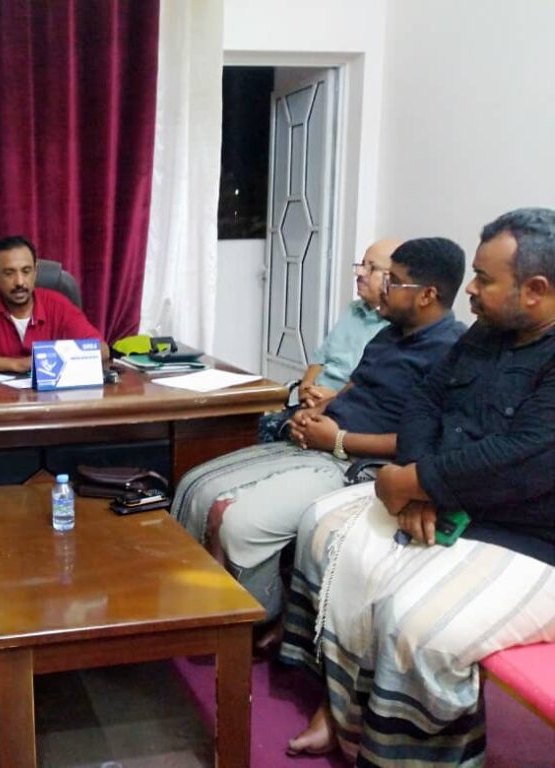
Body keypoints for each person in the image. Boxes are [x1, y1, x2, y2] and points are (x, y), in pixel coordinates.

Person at [281, 208, 555, 766]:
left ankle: (407, 755)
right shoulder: (486, 333)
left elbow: (526, 456)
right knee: (327, 529)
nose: (469, 289)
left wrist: (419, 482)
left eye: (484, 279)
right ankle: (341, 712)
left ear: (535, 290)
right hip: (450, 499)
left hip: (528, 535)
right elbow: (426, 400)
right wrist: (418, 481)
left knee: (411, 623)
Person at [170, 238, 467, 635]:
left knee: (239, 522)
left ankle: (256, 624)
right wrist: (318, 411)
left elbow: (422, 443)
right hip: (323, 443)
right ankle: (198, 610)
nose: (382, 287)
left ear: (427, 295)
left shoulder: (452, 352)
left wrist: (338, 439)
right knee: (195, 485)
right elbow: (355, 387)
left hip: (361, 463)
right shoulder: (389, 334)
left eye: (393, 281)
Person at [258, 239, 399, 441]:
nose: (359, 273)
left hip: (342, 414)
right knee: (245, 431)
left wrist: (330, 399)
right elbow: (321, 357)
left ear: (394, 278)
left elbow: (368, 385)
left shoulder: (394, 328)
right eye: (361, 265)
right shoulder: (353, 310)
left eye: (371, 268)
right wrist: (306, 387)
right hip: (311, 402)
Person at [0, 234, 109, 373]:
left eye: (26, 271)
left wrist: (50, 359)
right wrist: (17, 364)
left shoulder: (57, 303)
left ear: (35, 271)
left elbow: (101, 350)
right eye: (9, 273)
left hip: (51, 396)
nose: (19, 282)